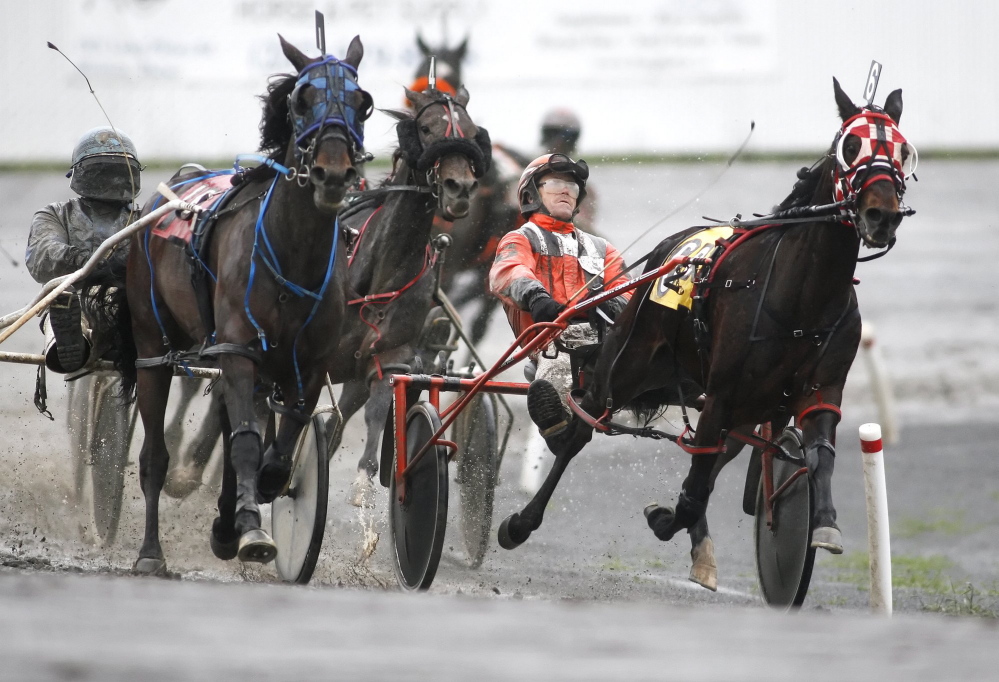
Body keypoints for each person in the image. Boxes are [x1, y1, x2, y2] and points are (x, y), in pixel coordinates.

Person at [489, 153, 630, 443]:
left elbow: (628, 291)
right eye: (554, 184)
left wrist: (610, 304)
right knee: (558, 359)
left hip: (608, 345)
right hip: (551, 344)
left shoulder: (603, 249)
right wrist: (536, 296)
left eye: (572, 186)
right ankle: (557, 426)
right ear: (531, 195)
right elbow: (508, 271)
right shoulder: (520, 239)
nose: (566, 190)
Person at [25, 126, 141, 373]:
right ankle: (69, 344)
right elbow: (43, 256)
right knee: (63, 301)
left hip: (129, 302)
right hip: (77, 298)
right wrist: (91, 262)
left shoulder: (145, 218)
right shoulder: (56, 214)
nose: (110, 179)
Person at [539, 108, 597, 234]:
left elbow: (584, 227)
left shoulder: (584, 188)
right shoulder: (525, 177)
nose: (558, 142)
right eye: (553, 135)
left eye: (565, 137)